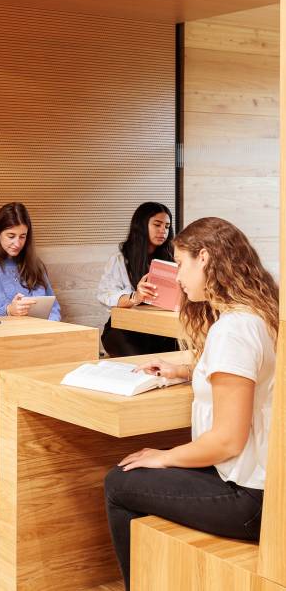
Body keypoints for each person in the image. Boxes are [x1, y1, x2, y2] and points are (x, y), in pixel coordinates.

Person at [103, 217, 275, 590]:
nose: (177, 277)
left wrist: (164, 456)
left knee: (119, 481)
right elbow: (239, 373)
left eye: (180, 264)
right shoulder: (255, 316)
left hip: (247, 497)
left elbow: (228, 441)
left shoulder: (234, 330)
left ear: (206, 259)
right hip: (256, 485)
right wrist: (183, 370)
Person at [97, 201, 178, 357]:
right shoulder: (120, 260)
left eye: (167, 227)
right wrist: (136, 297)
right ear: (141, 225)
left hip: (162, 329)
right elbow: (105, 295)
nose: (163, 231)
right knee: (142, 362)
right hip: (125, 328)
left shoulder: (173, 258)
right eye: (157, 225)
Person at [0, 202, 60, 320]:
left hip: (41, 334)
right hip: (5, 336)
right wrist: (8, 310)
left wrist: (49, 327)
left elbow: (54, 308)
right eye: (11, 236)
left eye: (22, 236)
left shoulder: (35, 265)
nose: (17, 243)